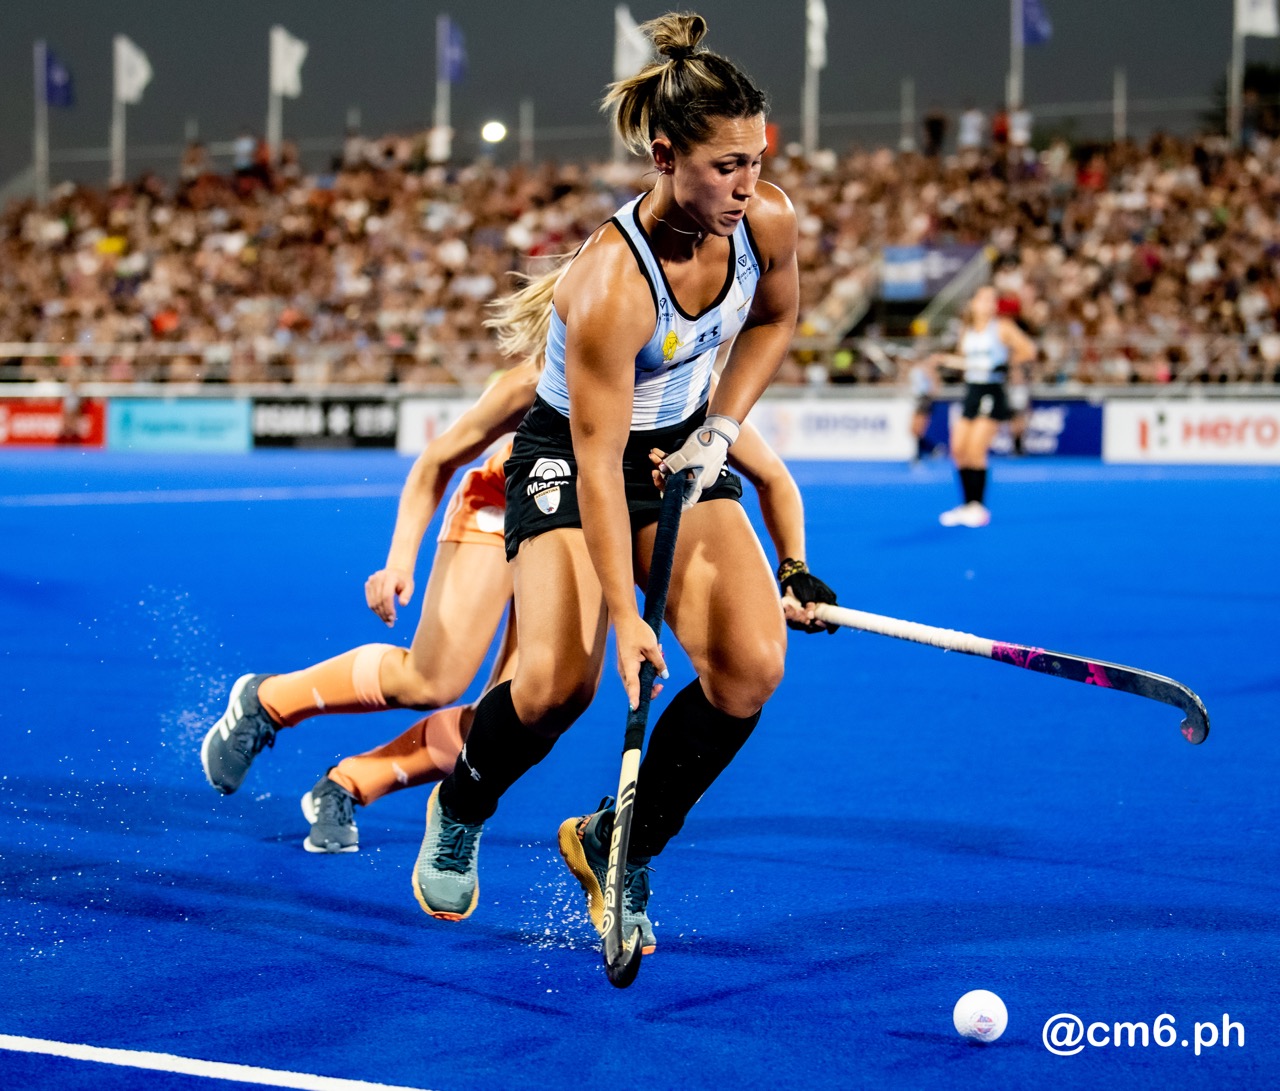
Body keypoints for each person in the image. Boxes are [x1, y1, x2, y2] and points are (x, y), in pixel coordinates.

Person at [409, 12, 799, 960]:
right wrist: (627, 614)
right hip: (571, 457)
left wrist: (720, 430)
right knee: (555, 685)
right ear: (666, 155)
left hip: (676, 445)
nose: (746, 187)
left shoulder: (768, 220)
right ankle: (462, 801)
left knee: (751, 667)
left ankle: (617, 845)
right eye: (724, 167)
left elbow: (775, 323)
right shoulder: (611, 285)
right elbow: (595, 463)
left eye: (756, 159)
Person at [930, 285, 1035, 526]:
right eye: (984, 299)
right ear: (974, 303)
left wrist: (1006, 365)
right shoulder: (966, 330)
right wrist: (945, 360)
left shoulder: (1003, 328)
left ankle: (978, 506)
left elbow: (1029, 350)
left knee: (976, 450)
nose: (989, 303)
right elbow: (968, 362)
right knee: (958, 449)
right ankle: (967, 504)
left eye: (992, 299)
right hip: (972, 389)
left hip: (992, 390)